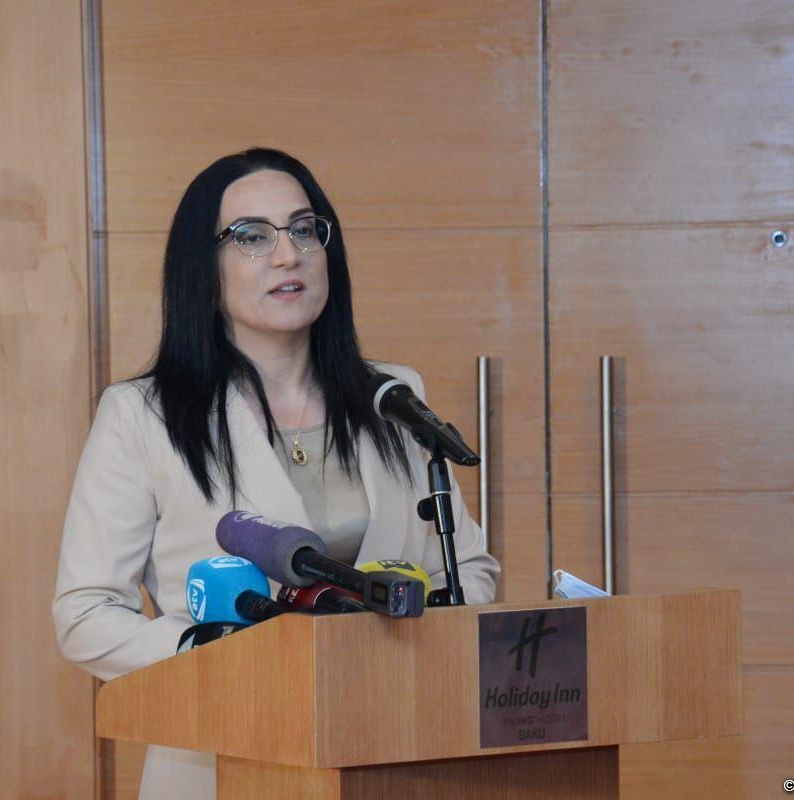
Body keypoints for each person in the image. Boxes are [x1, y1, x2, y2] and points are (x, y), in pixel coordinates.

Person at [52, 148, 500, 799]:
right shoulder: (143, 416)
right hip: (225, 753)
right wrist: (210, 650)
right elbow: (85, 614)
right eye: (251, 236)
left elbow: (469, 571)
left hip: (391, 752)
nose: (288, 254)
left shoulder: (393, 396)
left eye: (303, 229)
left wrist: (409, 650)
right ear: (204, 269)